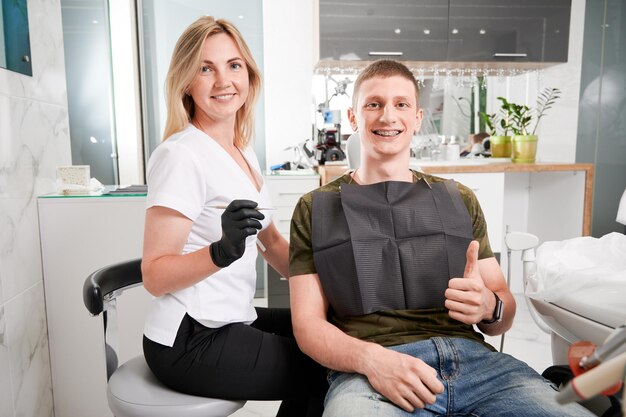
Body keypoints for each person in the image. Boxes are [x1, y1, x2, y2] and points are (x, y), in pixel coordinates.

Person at [288, 60, 595, 416]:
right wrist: (373, 362)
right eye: (374, 104)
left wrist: (489, 306)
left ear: (417, 118)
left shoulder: (458, 198)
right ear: (353, 118)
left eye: (401, 104)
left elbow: (503, 312)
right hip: (373, 373)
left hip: (479, 367)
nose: (388, 116)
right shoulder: (317, 208)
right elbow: (308, 326)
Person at [141, 16, 326, 416]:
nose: (223, 81)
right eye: (206, 68)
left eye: (234, 65)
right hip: (190, 337)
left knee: (328, 334)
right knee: (327, 365)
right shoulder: (181, 155)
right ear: (187, 82)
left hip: (229, 317)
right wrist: (220, 251)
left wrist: (330, 286)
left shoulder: (243, 152)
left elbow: (273, 243)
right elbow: (154, 275)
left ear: (249, 75)